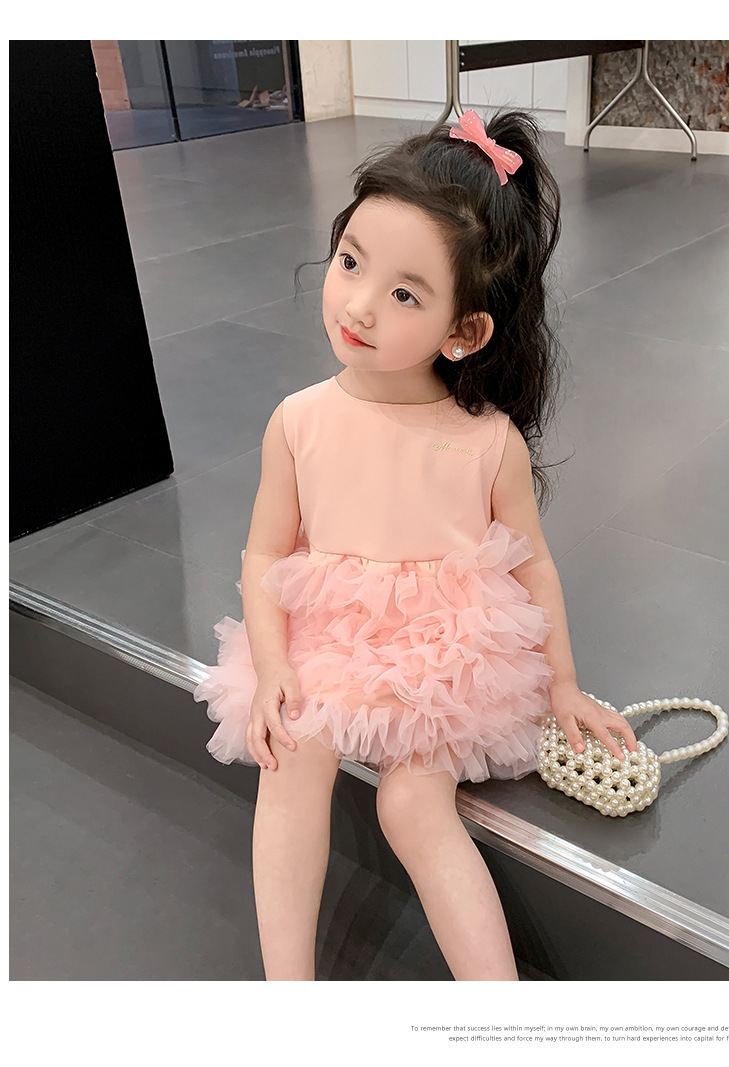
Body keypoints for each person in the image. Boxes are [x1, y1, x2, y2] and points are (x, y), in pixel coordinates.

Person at [194, 107, 638, 982]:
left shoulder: (487, 440)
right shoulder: (298, 421)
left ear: (463, 332)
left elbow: (533, 563)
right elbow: (263, 555)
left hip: (450, 654)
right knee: (293, 756)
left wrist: (562, 680)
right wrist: (274, 662)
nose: (359, 303)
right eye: (350, 261)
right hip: (333, 637)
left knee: (411, 802)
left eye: (406, 294)